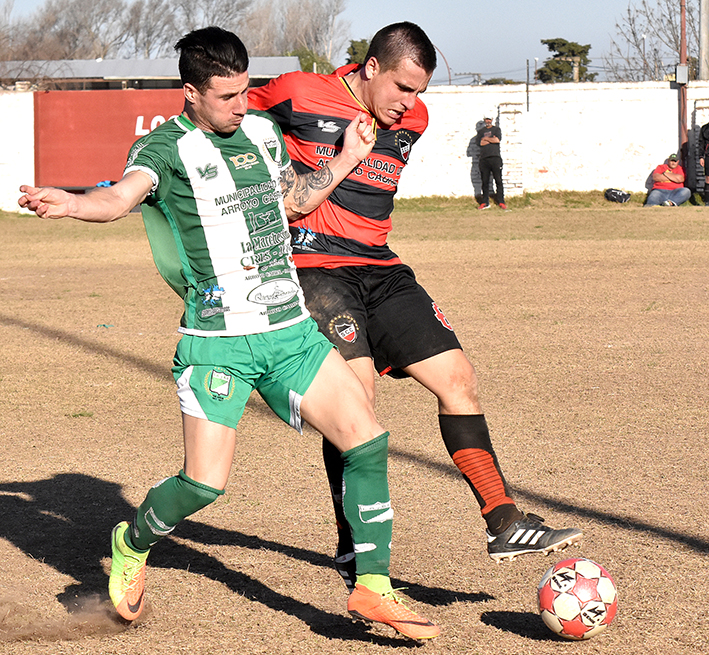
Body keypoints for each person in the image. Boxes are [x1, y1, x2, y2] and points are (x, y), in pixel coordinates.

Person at [18, 26, 440, 642]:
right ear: (190, 92)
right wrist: (73, 203)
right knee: (205, 484)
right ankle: (131, 541)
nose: (243, 106)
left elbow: (292, 201)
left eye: (246, 92)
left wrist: (346, 158)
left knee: (367, 438)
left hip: (290, 332)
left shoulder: (263, 133)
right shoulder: (165, 149)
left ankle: (373, 589)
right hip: (218, 343)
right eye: (227, 97)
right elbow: (118, 201)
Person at [249, 21, 582, 593]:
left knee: (458, 378)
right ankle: (353, 543)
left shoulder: (415, 121)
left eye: (420, 91)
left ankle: (504, 521)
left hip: (381, 268)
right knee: (355, 402)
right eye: (403, 87)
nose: (411, 104)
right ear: (370, 67)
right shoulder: (297, 93)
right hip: (315, 267)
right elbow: (225, 119)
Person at [475, 115, 506, 210]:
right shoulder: (480, 132)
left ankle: (501, 201)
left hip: (495, 158)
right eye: (486, 119)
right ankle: (485, 202)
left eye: (489, 119)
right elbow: (480, 143)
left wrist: (486, 139)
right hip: (484, 159)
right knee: (485, 181)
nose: (488, 121)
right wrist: (491, 139)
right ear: (484, 120)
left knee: (498, 180)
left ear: (492, 119)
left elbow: (497, 140)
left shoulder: (497, 129)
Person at [698, 122, 709, 205]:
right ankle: (707, 200)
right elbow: (701, 143)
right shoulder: (705, 128)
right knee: (708, 178)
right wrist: (701, 157)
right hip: (708, 156)